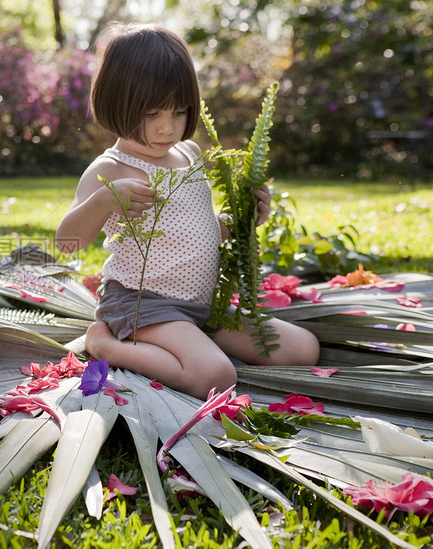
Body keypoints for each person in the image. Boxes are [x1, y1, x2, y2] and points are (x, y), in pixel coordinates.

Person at [56, 23, 319, 399]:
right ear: (117, 103)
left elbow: (198, 230)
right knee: (214, 375)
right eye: (151, 113)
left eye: (179, 112)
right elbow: (66, 243)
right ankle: (106, 345)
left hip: (200, 305)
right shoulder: (110, 169)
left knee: (301, 348)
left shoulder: (188, 154)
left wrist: (241, 222)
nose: (167, 128)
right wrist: (103, 202)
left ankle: (189, 343)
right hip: (140, 304)